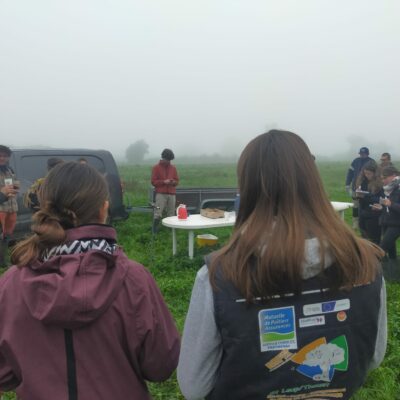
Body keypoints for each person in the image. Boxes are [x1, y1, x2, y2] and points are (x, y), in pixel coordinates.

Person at [178, 130, 386, 400]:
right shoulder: (365, 263)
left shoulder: (218, 275)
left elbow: (194, 386)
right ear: (313, 181)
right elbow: (373, 357)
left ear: (248, 187)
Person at [0, 162, 180, 399]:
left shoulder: (11, 283)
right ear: (103, 209)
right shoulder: (134, 279)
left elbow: (5, 375)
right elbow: (160, 366)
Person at [371, 165, 400, 260]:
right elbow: (387, 205)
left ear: (394, 175)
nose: (383, 181)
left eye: (385, 178)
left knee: (381, 249)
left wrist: (391, 204)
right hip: (386, 221)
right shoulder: (388, 188)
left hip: (396, 223)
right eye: (382, 178)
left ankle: (369, 266)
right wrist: (381, 208)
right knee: (391, 251)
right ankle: (393, 267)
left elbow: (391, 204)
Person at [151, 148, 179, 233]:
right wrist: (163, 182)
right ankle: (154, 231)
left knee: (171, 213)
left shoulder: (173, 168)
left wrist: (173, 182)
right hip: (160, 194)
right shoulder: (156, 168)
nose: (168, 161)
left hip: (171, 194)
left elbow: (177, 181)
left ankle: (170, 231)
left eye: (170, 160)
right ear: (163, 158)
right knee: (158, 211)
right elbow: (153, 182)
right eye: (167, 159)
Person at [355, 160, 383, 244]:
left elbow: (381, 199)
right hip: (362, 212)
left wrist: (365, 196)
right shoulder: (363, 181)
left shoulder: (380, 183)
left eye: (369, 174)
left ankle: (377, 252)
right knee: (364, 238)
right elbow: (361, 197)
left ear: (375, 173)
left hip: (374, 215)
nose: (366, 175)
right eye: (365, 173)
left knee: (374, 239)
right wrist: (358, 195)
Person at [345, 147, 374, 229]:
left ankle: (365, 222)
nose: (362, 155)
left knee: (365, 205)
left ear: (367, 154)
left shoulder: (372, 162)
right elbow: (350, 172)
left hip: (367, 189)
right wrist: (347, 184)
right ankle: (355, 223)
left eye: (364, 154)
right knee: (355, 206)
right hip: (356, 187)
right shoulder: (356, 161)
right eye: (361, 154)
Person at [0, 145, 19, 259]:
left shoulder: (9, 169)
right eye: (0, 155)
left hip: (11, 208)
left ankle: (3, 259)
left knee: (7, 235)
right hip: (1, 209)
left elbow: (13, 183)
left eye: (5, 156)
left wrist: (15, 187)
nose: (2, 158)